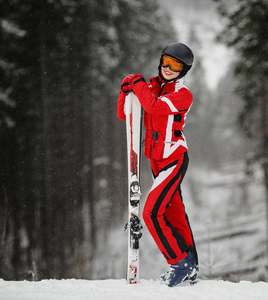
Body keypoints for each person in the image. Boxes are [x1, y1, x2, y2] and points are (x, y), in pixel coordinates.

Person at [117, 42, 198, 287]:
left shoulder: (182, 95)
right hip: (155, 161)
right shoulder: (151, 86)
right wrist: (124, 89)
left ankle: (180, 262)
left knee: (152, 213)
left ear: (184, 70)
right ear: (160, 61)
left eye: (176, 65)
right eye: (166, 62)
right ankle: (191, 267)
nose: (169, 68)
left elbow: (152, 106)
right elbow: (125, 114)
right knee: (174, 213)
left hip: (173, 158)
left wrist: (136, 82)